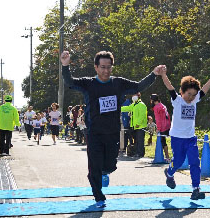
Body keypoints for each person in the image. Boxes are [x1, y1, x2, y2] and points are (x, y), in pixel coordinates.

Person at [61, 50, 163, 208]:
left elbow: (138, 86)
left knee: (110, 165)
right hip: (94, 133)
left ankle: (105, 171)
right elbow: (70, 82)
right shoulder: (89, 84)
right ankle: (99, 196)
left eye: (109, 67)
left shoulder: (118, 83)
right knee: (94, 166)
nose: (106, 70)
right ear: (96, 67)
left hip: (113, 133)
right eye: (102, 67)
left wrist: (153, 74)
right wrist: (65, 65)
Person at [160, 64, 210, 200]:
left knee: (194, 162)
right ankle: (170, 173)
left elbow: (204, 89)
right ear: (182, 92)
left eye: (194, 95)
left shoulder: (194, 101)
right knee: (179, 160)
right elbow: (169, 86)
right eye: (189, 94)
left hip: (190, 138)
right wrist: (163, 74)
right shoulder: (177, 100)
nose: (191, 98)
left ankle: (196, 189)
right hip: (177, 137)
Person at [121, 92, 148, 157]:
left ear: (138, 96)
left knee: (140, 140)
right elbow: (127, 108)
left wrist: (138, 124)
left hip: (140, 126)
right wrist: (119, 108)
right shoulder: (134, 105)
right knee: (136, 140)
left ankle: (140, 153)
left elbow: (142, 115)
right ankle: (137, 152)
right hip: (134, 126)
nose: (133, 97)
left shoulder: (141, 105)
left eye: (134, 95)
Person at [150, 93, 171, 161]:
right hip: (168, 125)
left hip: (162, 127)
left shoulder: (156, 107)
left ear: (153, 100)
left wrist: (158, 129)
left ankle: (166, 157)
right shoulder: (162, 105)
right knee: (169, 141)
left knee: (162, 142)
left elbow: (158, 119)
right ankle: (168, 157)